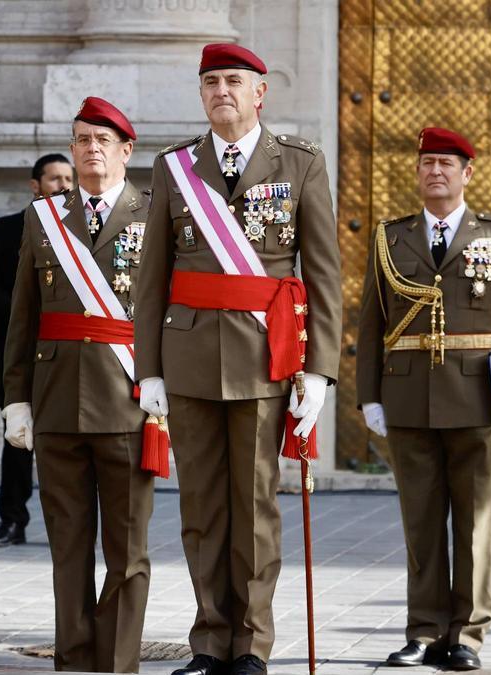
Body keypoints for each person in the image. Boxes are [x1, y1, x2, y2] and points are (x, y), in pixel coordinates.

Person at [132, 44, 342, 675]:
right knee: (201, 510)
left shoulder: (301, 163)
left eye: (234, 81)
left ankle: (250, 645)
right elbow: (151, 278)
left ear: (260, 93)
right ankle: (208, 641)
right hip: (189, 354)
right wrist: (148, 370)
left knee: (254, 510)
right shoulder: (176, 168)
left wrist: (319, 369)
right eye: (211, 82)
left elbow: (323, 274)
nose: (221, 90)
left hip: (263, 359)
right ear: (201, 94)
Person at [355, 127, 491, 671]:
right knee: (421, 520)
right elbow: (372, 323)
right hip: (408, 395)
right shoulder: (392, 237)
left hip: (477, 395)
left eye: (447, 163)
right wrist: (369, 395)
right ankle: (424, 630)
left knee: (475, 520)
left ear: (467, 173)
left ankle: (468, 635)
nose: (436, 171)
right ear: (417, 173)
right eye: (427, 163)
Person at [1, 97, 154, 673]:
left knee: (127, 551)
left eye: (103, 141)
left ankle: (116, 663)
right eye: (82, 140)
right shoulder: (42, 218)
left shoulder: (154, 212)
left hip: (129, 406)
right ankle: (73, 658)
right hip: (58, 402)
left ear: (125, 151)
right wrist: (17, 398)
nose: (91, 149)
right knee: (67, 547)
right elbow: (24, 314)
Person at [0, 153, 73, 548]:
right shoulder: (6, 230)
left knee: (65, 443)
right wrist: (28, 320)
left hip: (67, 353)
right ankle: (11, 521)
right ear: (36, 185)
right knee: (16, 441)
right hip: (15, 351)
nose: (64, 185)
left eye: (69, 178)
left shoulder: (84, 232)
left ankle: (67, 523)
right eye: (54, 179)